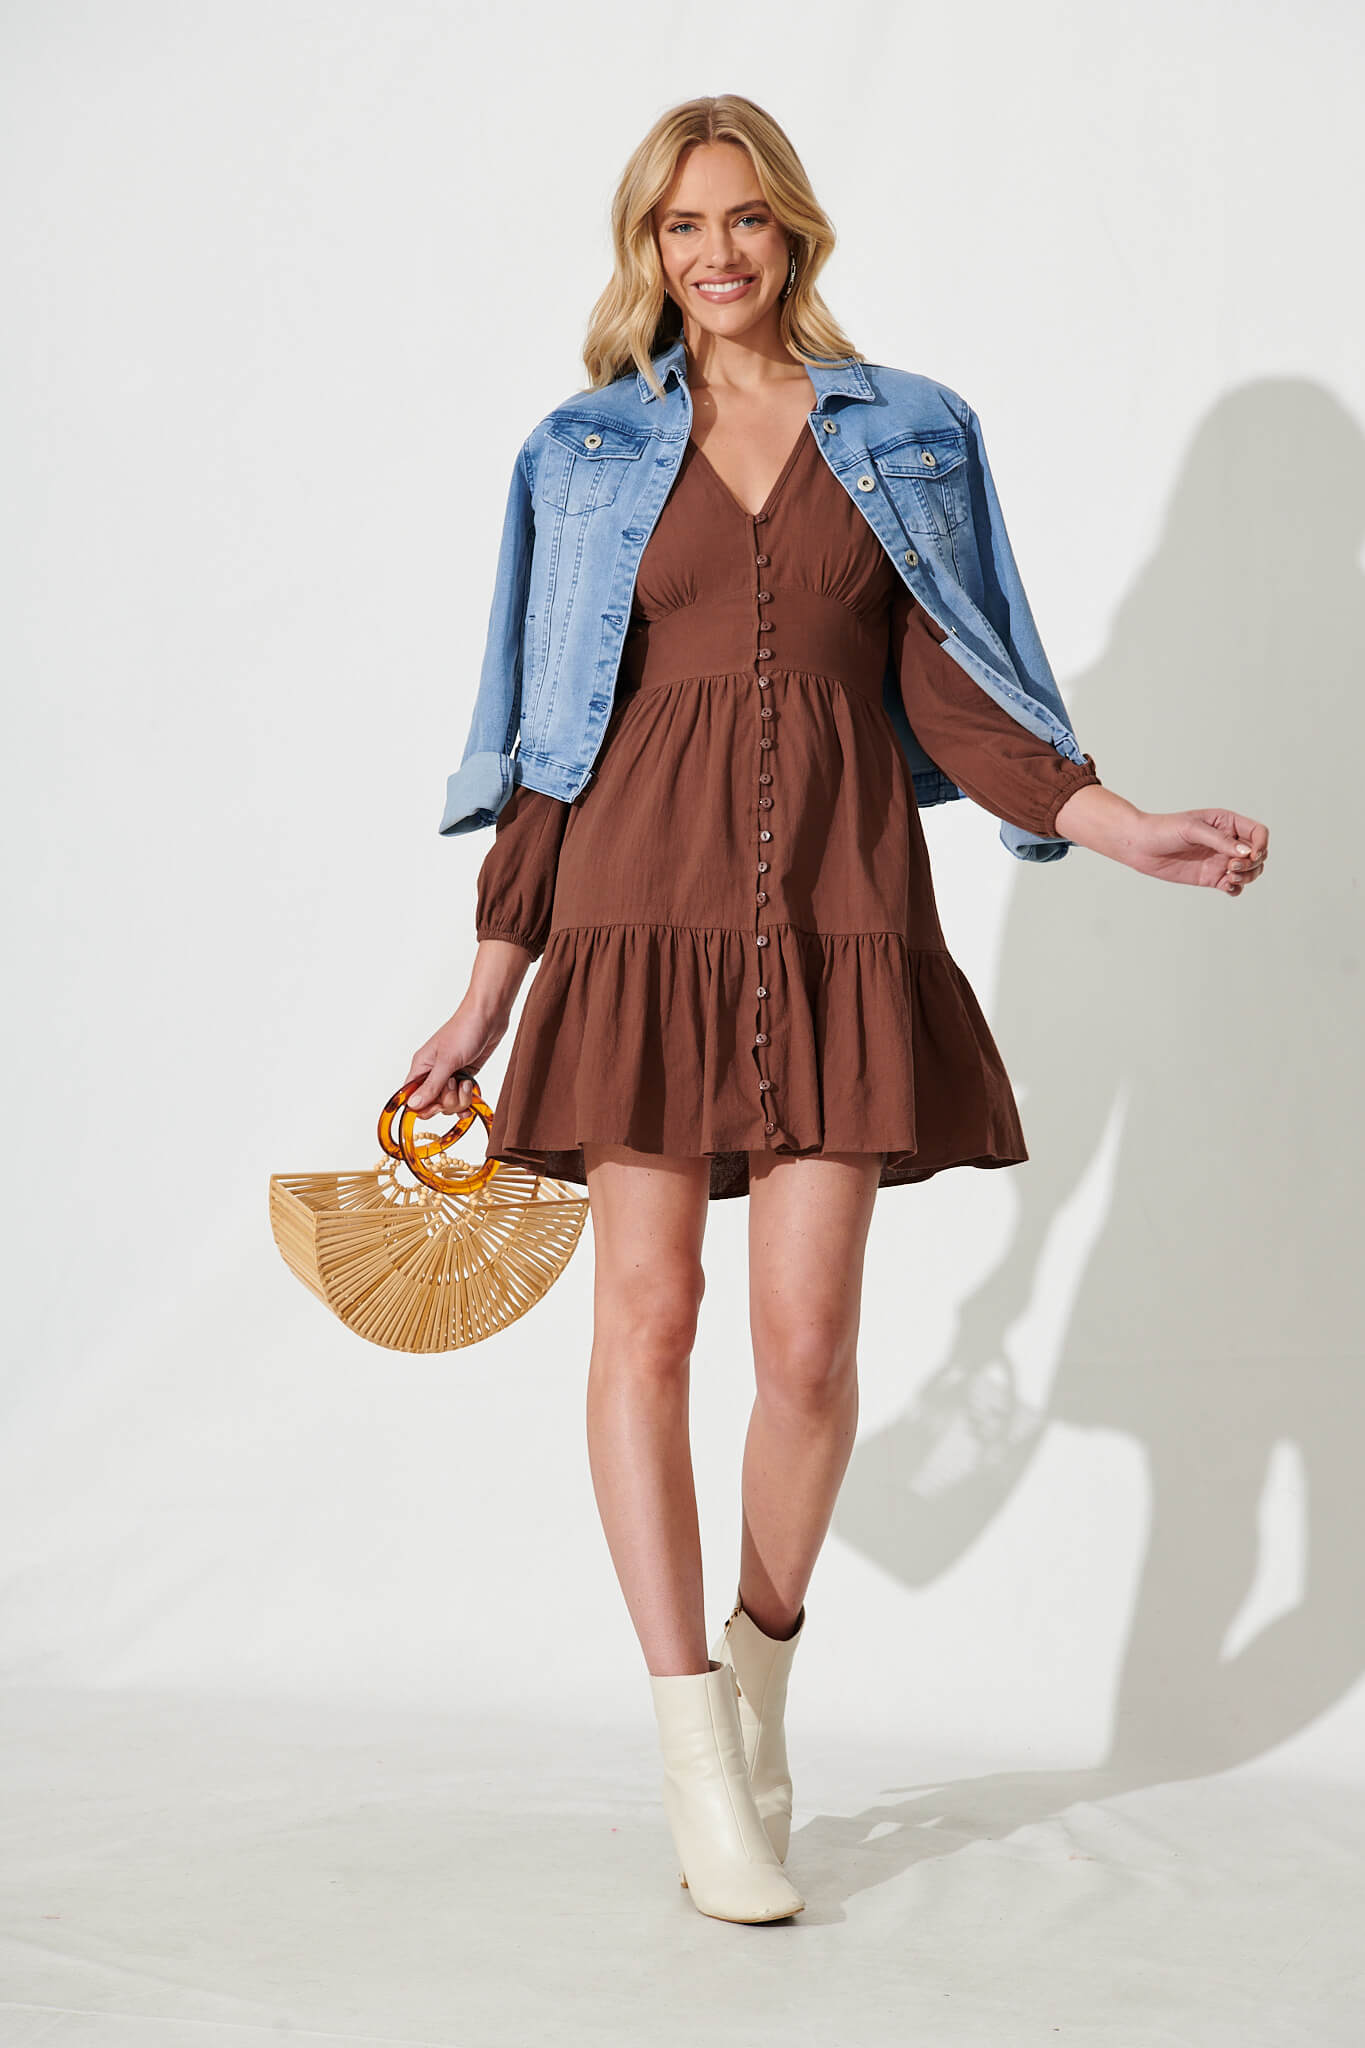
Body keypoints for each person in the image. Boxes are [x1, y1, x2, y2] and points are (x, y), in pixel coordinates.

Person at [403, 96, 1270, 1925]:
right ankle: (689, 1748)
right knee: (647, 1324)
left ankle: (762, 1668)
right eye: (678, 225)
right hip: (631, 920)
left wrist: (1116, 825)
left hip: (839, 920)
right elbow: (552, 739)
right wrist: (487, 987)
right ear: (646, 249)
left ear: (792, 230)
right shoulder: (578, 452)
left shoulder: (912, 431)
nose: (713, 252)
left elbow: (961, 689)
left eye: (741, 218)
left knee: (803, 1351)